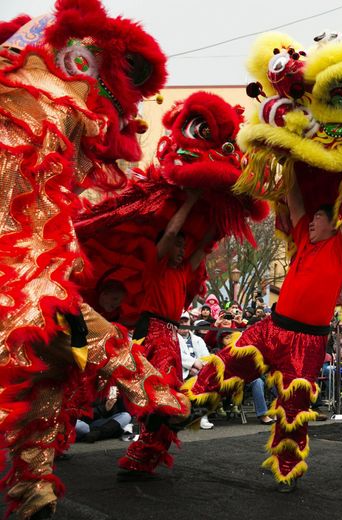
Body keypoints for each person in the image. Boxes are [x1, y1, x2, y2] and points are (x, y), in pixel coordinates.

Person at [0, 3, 192, 517]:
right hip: (22, 276)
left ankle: (34, 486)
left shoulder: (52, 118)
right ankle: (158, 397)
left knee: (55, 372)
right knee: (65, 330)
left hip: (40, 265)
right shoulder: (37, 105)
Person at [183, 170, 342, 492]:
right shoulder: (306, 239)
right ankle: (184, 406)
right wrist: (290, 163)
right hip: (271, 328)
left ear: (333, 223)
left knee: (293, 409)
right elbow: (294, 204)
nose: (310, 222)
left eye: (318, 217)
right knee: (227, 361)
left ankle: (288, 470)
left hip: (307, 343)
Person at [116, 190, 213, 480]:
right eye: (178, 245)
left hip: (169, 335)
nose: (182, 250)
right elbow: (171, 231)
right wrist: (193, 199)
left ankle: (143, 456)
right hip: (152, 330)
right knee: (158, 394)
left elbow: (205, 245)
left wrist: (223, 214)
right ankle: (178, 415)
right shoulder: (156, 263)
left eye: (185, 246)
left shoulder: (182, 270)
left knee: (163, 398)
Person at [178, 313, 213, 429]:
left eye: (185, 322)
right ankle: (190, 417)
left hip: (198, 371)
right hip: (180, 372)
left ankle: (202, 417)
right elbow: (177, 356)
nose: (183, 324)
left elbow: (206, 357)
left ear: (190, 323)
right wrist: (192, 365)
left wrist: (199, 367)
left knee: (207, 380)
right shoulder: (172, 338)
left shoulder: (198, 340)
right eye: (181, 322)